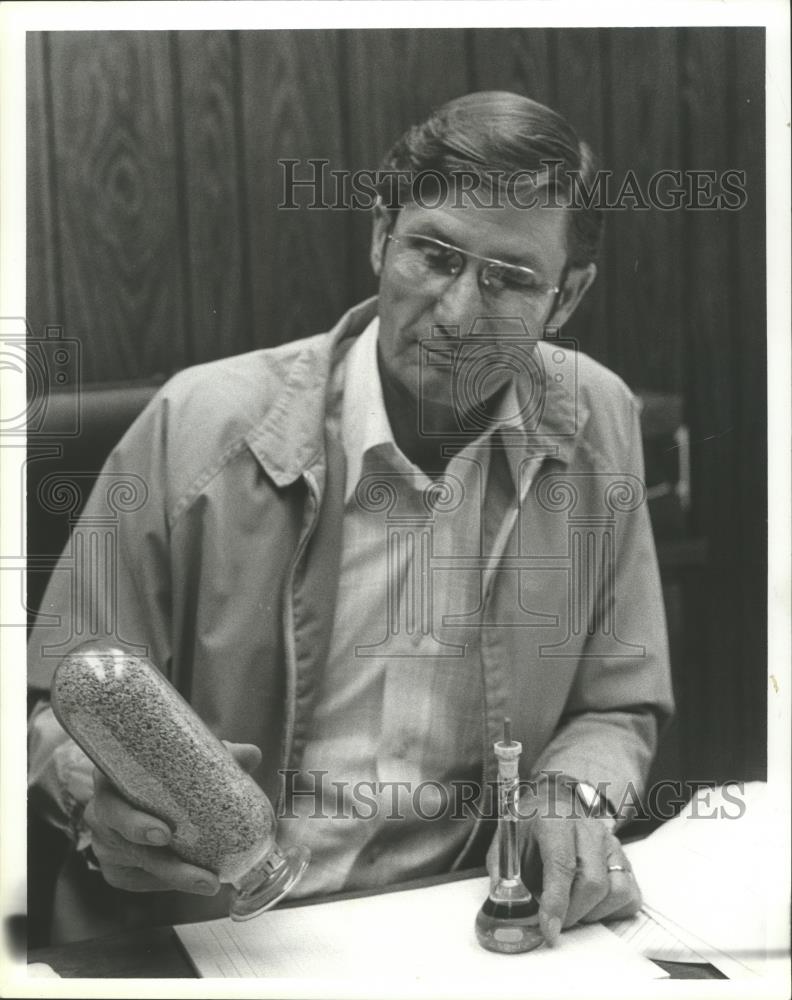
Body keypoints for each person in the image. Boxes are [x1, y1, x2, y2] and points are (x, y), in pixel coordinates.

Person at [28, 91, 673, 945]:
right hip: (220, 926)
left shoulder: (597, 417)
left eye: (511, 281)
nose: (457, 316)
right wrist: (89, 792)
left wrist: (572, 792)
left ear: (568, 297)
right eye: (434, 256)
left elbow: (620, 704)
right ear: (379, 234)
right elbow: (50, 704)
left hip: (466, 920)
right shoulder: (196, 425)